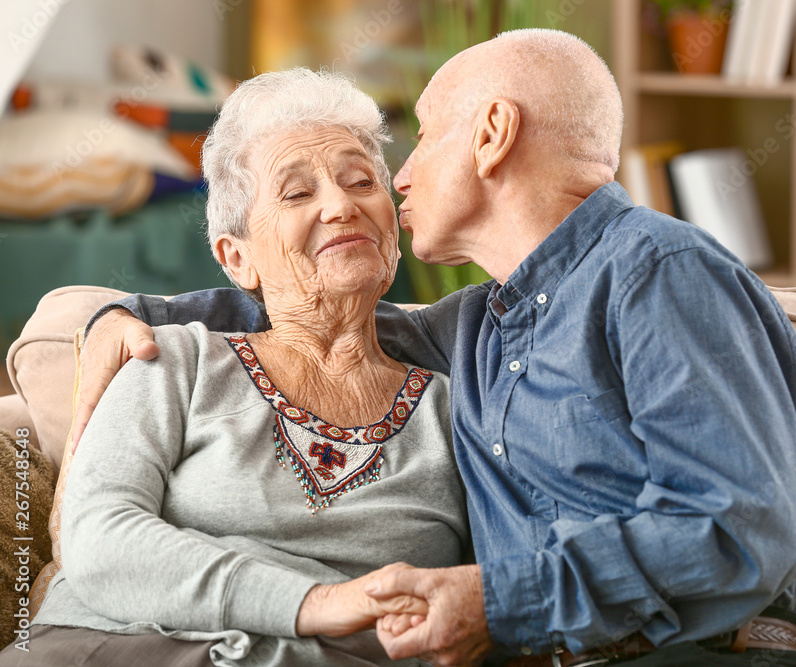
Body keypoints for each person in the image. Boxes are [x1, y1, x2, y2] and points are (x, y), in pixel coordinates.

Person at [70, 29, 796, 667]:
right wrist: (113, 313)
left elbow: (740, 530)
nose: (400, 177)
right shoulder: (475, 327)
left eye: (424, 136)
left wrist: (496, 600)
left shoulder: (656, 272)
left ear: (491, 134)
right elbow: (304, 302)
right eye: (302, 190)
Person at [0, 68, 469, 667]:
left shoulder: (457, 409)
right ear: (238, 257)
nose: (341, 205)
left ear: (394, 233)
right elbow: (97, 540)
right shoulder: (170, 361)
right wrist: (316, 600)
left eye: (360, 181)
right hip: (110, 650)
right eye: (297, 193)